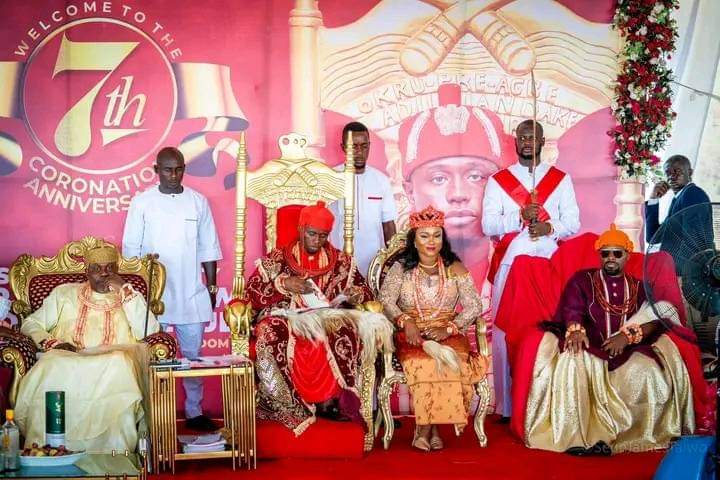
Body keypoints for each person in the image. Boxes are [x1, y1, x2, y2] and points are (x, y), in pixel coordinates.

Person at [522, 225, 694, 455]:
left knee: (649, 371)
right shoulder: (583, 280)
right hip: (591, 345)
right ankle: (578, 437)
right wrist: (575, 329)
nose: (611, 258)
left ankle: (633, 438)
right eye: (605, 253)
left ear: (627, 255)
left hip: (630, 350)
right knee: (572, 361)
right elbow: (573, 308)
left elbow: (660, 317)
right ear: (599, 255)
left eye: (617, 253)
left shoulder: (641, 288)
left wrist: (628, 336)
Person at [244, 201, 392, 434]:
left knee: (344, 329)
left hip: (326, 316)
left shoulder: (342, 262)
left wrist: (355, 295)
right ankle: (285, 403)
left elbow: (364, 291)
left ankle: (330, 402)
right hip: (287, 316)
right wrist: (283, 284)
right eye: (312, 234)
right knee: (270, 331)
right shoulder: (278, 259)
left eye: (323, 236)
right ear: (301, 229)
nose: (317, 240)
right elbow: (252, 292)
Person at [14, 245, 161, 452]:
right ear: (87, 271)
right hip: (69, 357)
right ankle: (49, 450)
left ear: (117, 271)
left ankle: (113, 452)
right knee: (50, 364)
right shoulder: (64, 293)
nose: (104, 273)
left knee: (119, 362)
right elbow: (31, 324)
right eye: (97, 268)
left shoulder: (128, 295)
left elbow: (150, 330)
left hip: (112, 360)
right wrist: (53, 343)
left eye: (110, 268)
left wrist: (125, 290)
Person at [481, 119, 580, 419]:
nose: (527, 141)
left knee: (550, 327)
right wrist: (518, 216)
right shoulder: (499, 181)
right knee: (503, 330)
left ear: (541, 141)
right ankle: (506, 406)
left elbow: (573, 222)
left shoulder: (560, 179)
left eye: (532, 137)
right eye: (522, 136)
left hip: (549, 262)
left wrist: (550, 226)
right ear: (515, 141)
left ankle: (549, 401)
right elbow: (488, 224)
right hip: (510, 263)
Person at [122, 146, 222, 432]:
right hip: (155, 296)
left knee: (192, 359)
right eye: (167, 169)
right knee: (153, 358)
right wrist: (139, 294)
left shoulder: (198, 202)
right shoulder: (142, 203)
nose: (174, 175)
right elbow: (131, 252)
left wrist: (212, 285)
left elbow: (208, 246)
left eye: (179, 169)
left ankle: (194, 411)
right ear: (156, 170)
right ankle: (154, 415)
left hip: (191, 293)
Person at [378, 205, 488, 451]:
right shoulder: (400, 268)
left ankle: (425, 429)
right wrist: (406, 322)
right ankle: (433, 428)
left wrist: (450, 328)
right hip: (412, 334)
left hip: (447, 332)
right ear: (414, 240)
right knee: (425, 363)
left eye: (436, 235)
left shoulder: (455, 267)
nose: (431, 241)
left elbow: (473, 306)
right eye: (424, 236)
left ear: (443, 239)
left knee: (450, 360)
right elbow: (385, 300)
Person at [398, 83, 514, 288]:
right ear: (410, 192)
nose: (458, 194)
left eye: (476, 176)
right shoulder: (401, 269)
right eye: (438, 179)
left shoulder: (515, 263)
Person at [330, 122, 398, 277]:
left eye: (364, 146)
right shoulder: (331, 177)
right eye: (353, 146)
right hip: (337, 261)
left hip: (373, 263)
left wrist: (393, 260)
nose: (359, 152)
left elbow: (388, 225)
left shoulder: (381, 180)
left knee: (372, 302)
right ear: (343, 147)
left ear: (369, 146)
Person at [645, 154, 711, 244]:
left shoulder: (692, 193)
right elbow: (653, 237)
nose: (672, 176)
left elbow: (693, 241)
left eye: (677, 171)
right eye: (668, 173)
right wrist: (653, 199)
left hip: (685, 258)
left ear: (690, 172)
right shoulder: (679, 198)